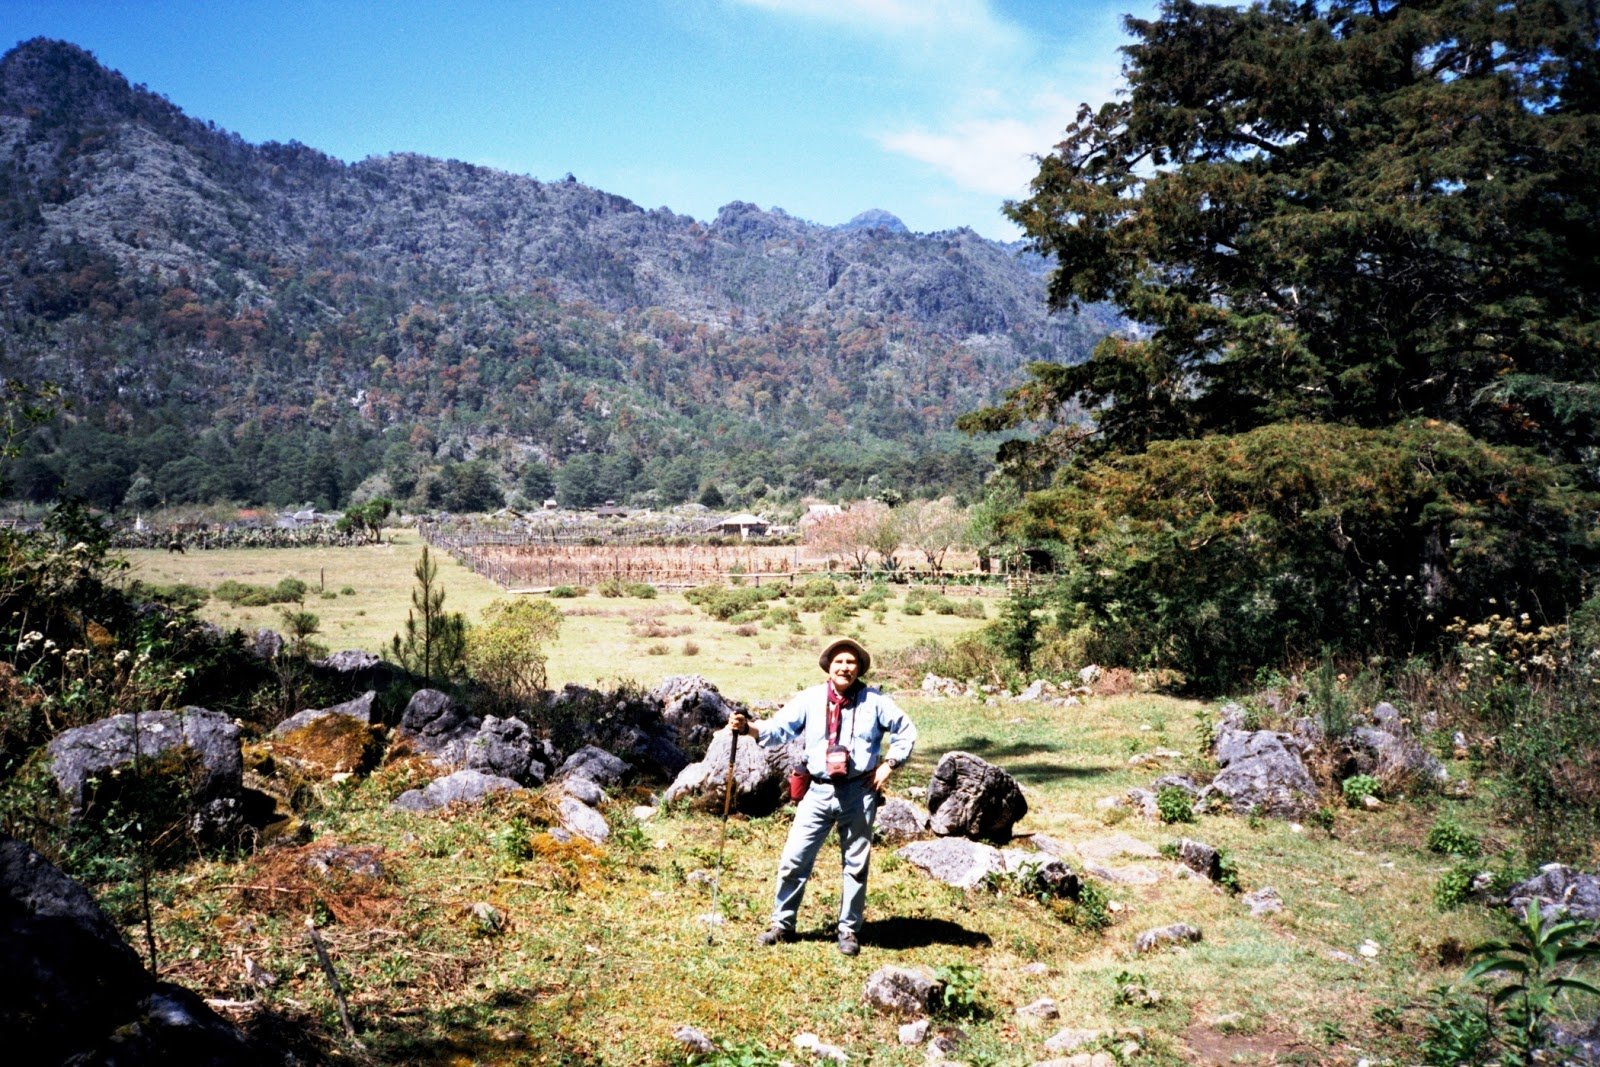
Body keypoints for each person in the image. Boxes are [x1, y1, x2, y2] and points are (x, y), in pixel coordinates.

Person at [727, 637, 917, 956]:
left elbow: (906, 730)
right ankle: (782, 925)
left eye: (851, 662)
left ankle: (849, 930)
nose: (844, 667)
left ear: (859, 668)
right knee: (794, 859)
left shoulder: (875, 701)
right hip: (816, 791)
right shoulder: (810, 698)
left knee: (856, 864)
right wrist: (748, 728)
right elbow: (778, 729)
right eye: (839, 661)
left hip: (859, 791)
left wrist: (890, 764)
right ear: (829, 666)